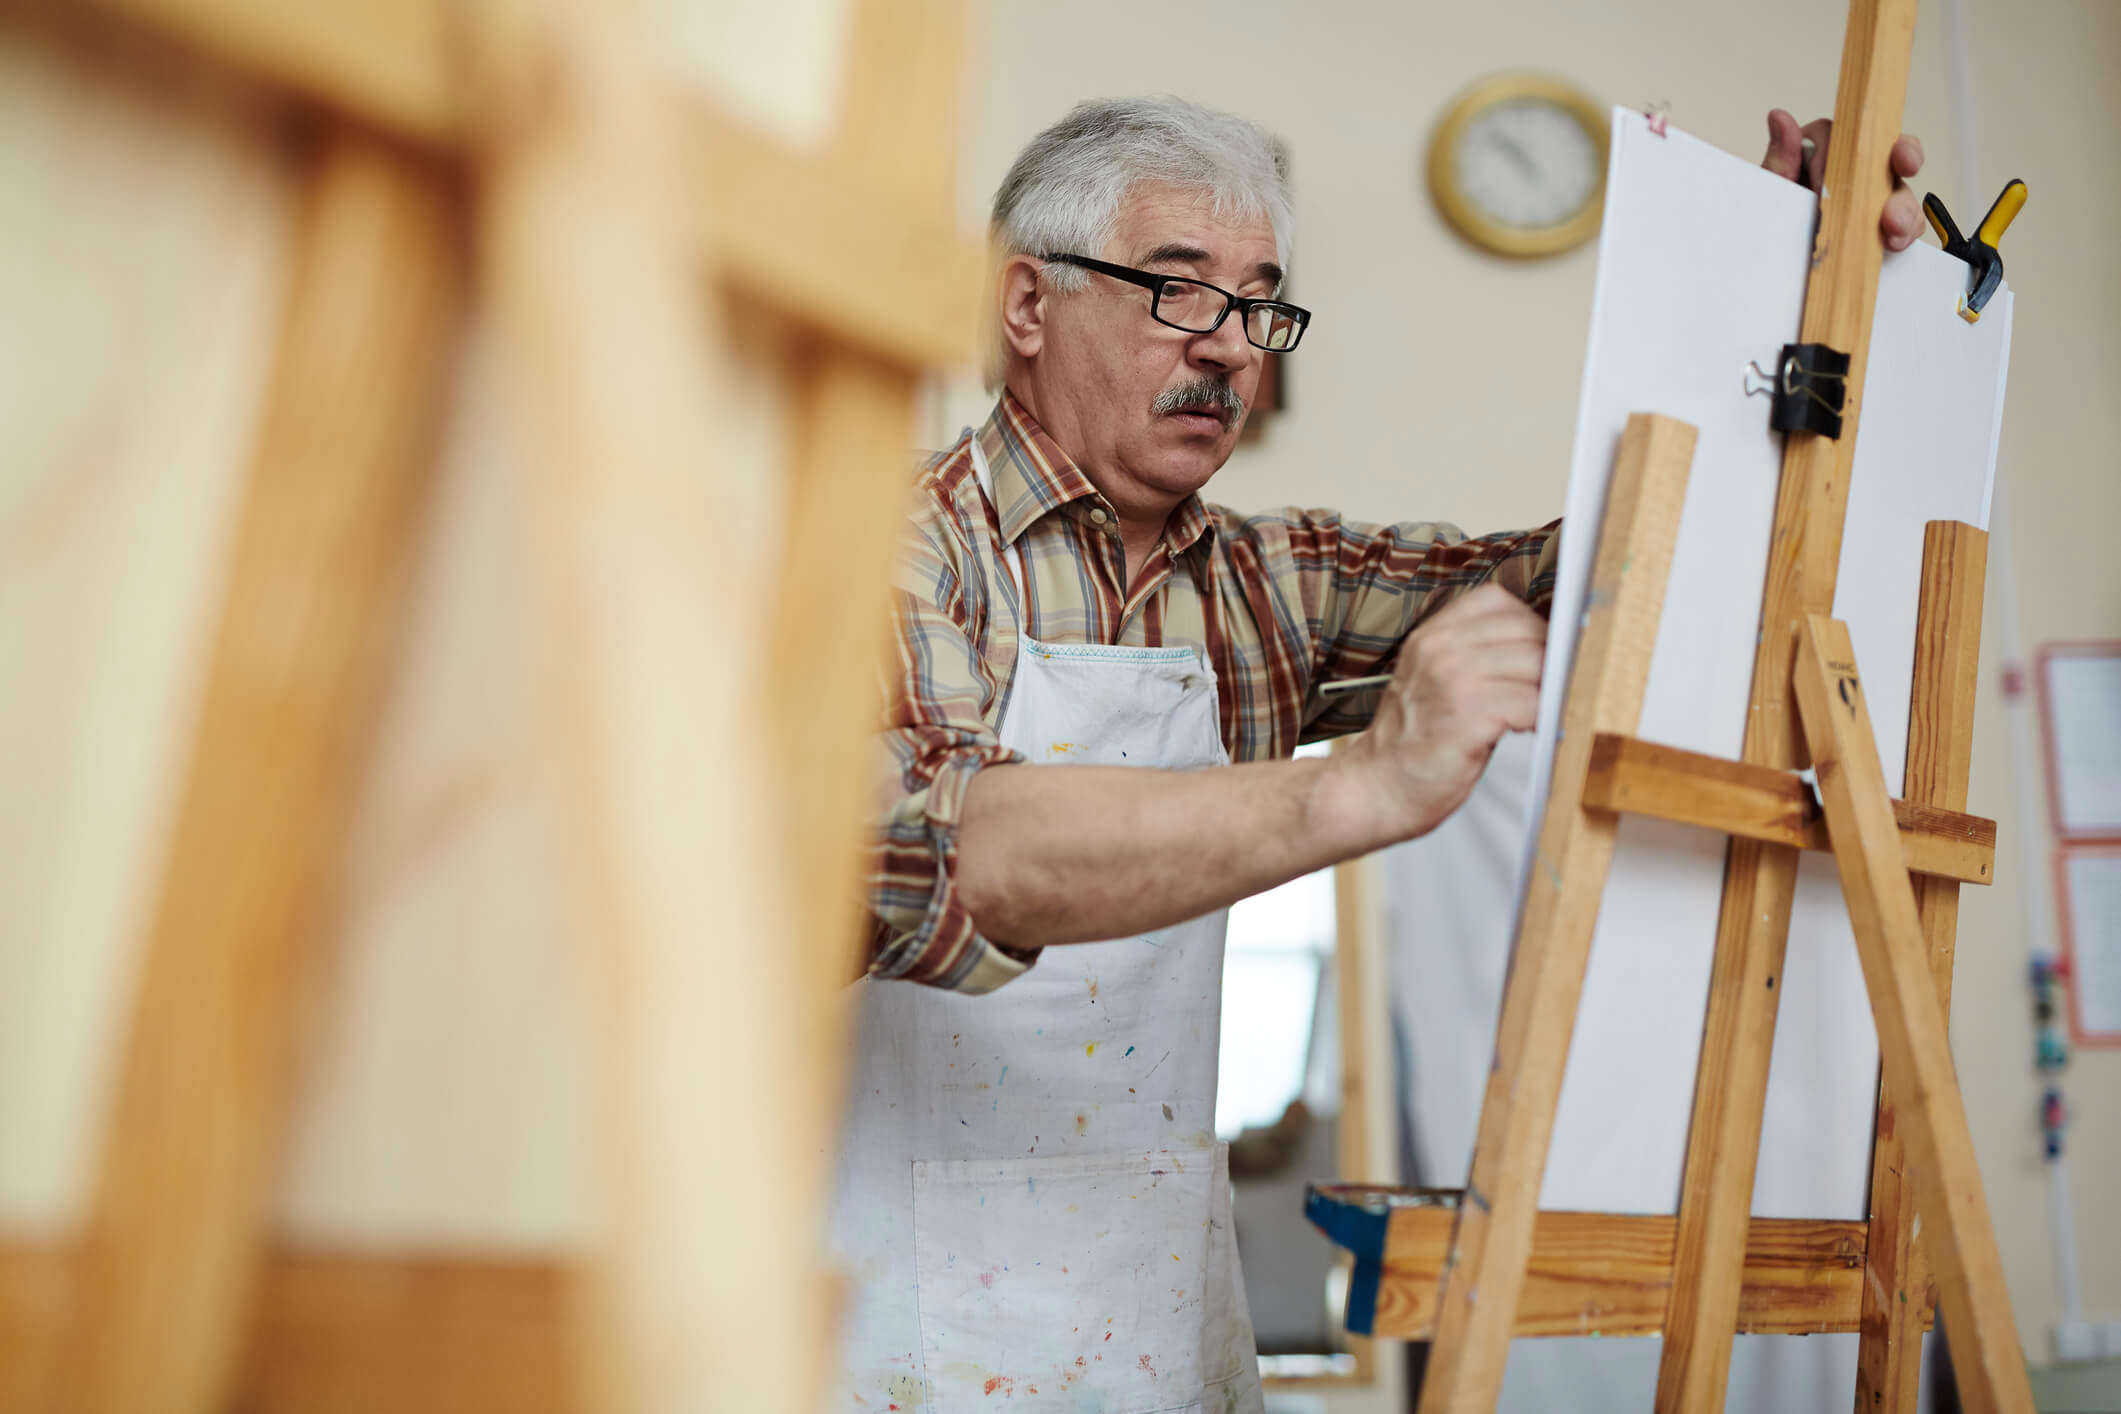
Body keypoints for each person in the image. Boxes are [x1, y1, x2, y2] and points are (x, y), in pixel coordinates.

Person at [829, 96, 1925, 1414]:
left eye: (1259, 306)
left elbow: (1597, 582)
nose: (1231, 350)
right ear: (1025, 304)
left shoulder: (1264, 582)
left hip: (1150, 1300)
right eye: (1181, 294)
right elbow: (952, 852)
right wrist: (1358, 783)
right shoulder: (882, 548)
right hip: (879, 1324)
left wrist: (1763, 298)